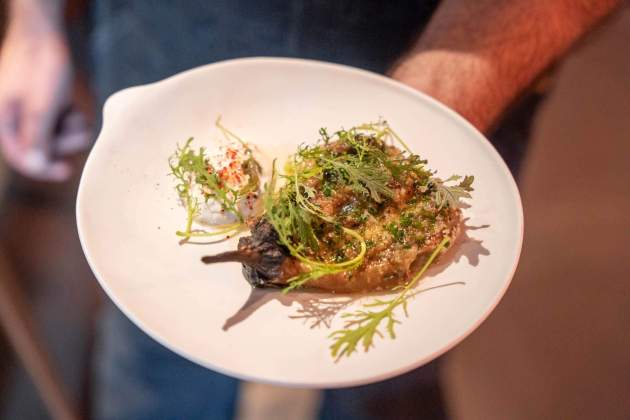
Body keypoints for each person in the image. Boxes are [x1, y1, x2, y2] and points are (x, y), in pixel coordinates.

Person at [0, 1, 620, 419]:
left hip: (452, 39)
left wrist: (437, 103)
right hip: (176, 21)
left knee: (389, 368)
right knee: (157, 353)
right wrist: (34, 24)